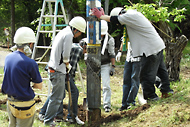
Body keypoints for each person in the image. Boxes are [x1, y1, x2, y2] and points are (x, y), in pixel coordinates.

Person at [91, 7, 173, 101]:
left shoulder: (129, 16)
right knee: (161, 71)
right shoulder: (134, 15)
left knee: (145, 75)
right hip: (157, 46)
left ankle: (151, 97)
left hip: (149, 49)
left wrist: (101, 16)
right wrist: (104, 15)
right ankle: (166, 91)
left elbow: (114, 19)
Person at [42, 16, 86, 126]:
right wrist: (68, 64)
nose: (79, 35)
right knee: (57, 97)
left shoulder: (63, 32)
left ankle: (47, 116)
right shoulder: (68, 35)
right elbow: (66, 56)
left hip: (55, 68)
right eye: (80, 32)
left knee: (57, 96)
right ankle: (47, 120)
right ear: (76, 29)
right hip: (57, 70)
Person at [1, 27, 42, 127]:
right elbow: (39, 86)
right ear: (30, 44)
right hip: (24, 104)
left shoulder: (8, 58)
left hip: (10, 102)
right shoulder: (31, 63)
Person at [116, 37, 140, 111]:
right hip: (129, 58)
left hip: (138, 58)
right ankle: (124, 104)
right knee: (126, 81)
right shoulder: (127, 29)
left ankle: (130, 102)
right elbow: (124, 40)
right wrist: (120, 51)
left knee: (134, 80)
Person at [100, 20, 115, 112]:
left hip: (105, 64)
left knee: (106, 85)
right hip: (93, 65)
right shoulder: (92, 36)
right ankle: (93, 103)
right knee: (92, 85)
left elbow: (111, 53)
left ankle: (107, 105)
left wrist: (112, 66)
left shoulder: (109, 39)